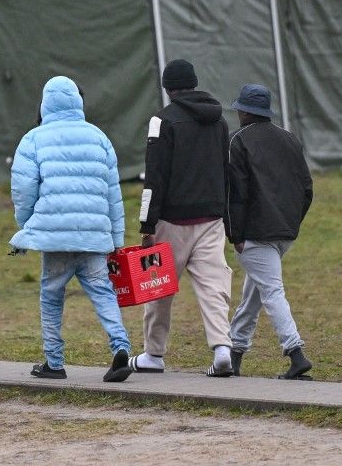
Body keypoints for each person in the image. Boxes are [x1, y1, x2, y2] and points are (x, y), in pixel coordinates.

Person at [10, 75, 134, 383]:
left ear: (44, 103)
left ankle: (54, 362)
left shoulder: (34, 139)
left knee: (51, 296)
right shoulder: (99, 138)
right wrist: (116, 238)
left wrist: (26, 225)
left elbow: (23, 189)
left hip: (55, 238)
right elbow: (112, 193)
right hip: (94, 236)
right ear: (78, 102)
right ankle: (120, 346)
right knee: (103, 292)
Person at [130, 59, 235, 377]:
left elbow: (155, 179)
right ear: (194, 83)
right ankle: (221, 349)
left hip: (172, 222)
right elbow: (225, 172)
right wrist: (227, 219)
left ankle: (154, 354)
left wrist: (147, 226)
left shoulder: (161, 121)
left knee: (158, 288)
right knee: (214, 286)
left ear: (168, 88)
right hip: (211, 219)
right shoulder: (220, 122)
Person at [226, 83, 314, 380]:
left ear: (243, 111)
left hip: (254, 233)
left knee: (271, 292)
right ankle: (235, 352)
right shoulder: (290, 139)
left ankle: (295, 353)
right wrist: (292, 222)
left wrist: (235, 234)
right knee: (254, 293)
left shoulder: (238, 140)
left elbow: (235, 193)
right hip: (285, 232)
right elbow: (306, 188)